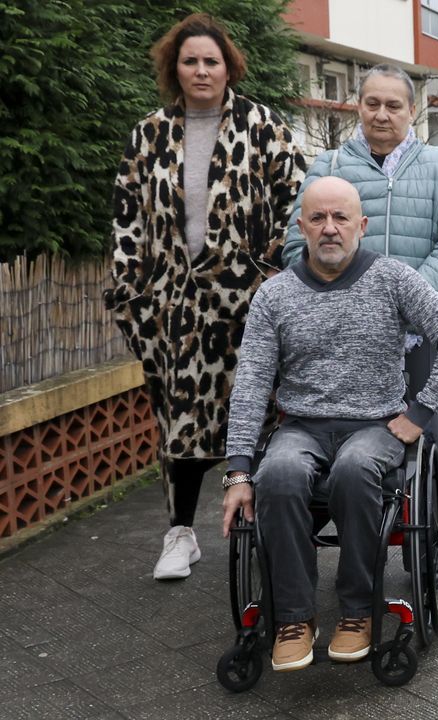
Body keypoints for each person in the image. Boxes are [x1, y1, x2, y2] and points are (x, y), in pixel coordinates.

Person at [220, 176, 438, 672]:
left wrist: (420, 413)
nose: (330, 229)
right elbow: (251, 383)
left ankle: (357, 611)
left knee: (357, 468)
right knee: (277, 474)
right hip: (302, 425)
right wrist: (237, 472)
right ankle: (295, 618)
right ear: (302, 227)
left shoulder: (393, 279)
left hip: (374, 425)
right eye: (318, 218)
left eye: (341, 218)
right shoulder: (275, 296)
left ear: (361, 226)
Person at [104, 12, 306, 581]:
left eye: (210, 61)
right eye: (189, 60)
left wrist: (274, 274)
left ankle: (265, 523)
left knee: (259, 410)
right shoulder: (148, 135)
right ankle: (180, 533)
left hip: (248, 301)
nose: (200, 70)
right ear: (174, 67)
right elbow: (125, 221)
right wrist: (131, 294)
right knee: (179, 416)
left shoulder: (263, 126)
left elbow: (297, 202)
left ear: (228, 67)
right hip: (172, 305)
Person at [282, 63, 438, 570]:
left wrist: (407, 309)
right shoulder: (329, 167)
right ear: (357, 106)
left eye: (395, 105)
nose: (383, 114)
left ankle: (428, 561)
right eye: (373, 103)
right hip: (347, 342)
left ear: (412, 112)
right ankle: (350, 555)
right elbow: (293, 247)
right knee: (350, 449)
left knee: (431, 442)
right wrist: (352, 308)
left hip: (425, 340)